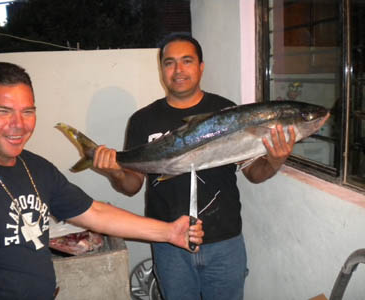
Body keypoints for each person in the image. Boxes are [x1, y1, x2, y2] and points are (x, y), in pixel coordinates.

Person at [0, 62, 204, 300]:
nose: (19, 124)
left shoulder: (36, 168)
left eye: (27, 111)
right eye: (3, 111)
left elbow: (95, 213)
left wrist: (170, 232)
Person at [93, 33, 296, 300]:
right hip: (168, 243)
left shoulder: (226, 110)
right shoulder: (143, 119)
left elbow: (254, 174)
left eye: (187, 61)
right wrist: (116, 171)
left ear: (201, 66)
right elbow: (131, 186)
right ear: (161, 69)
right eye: (169, 62)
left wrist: (275, 159)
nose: (178, 70)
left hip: (225, 242)